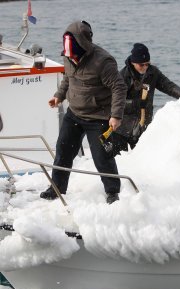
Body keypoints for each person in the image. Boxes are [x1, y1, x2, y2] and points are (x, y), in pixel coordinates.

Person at [40, 21, 127, 204]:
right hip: (74, 114)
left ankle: (112, 192)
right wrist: (59, 96)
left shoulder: (103, 61)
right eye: (68, 56)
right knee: (63, 150)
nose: (71, 59)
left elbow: (119, 87)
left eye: (74, 56)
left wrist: (116, 115)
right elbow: (68, 78)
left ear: (84, 47)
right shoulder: (68, 57)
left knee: (102, 157)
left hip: (99, 116)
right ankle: (57, 188)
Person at [113, 43, 180, 153]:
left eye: (147, 64)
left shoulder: (153, 72)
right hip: (123, 128)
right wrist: (136, 103)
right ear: (133, 63)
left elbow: (168, 85)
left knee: (145, 157)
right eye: (141, 65)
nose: (145, 67)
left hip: (144, 126)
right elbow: (115, 103)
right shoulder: (123, 76)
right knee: (120, 161)